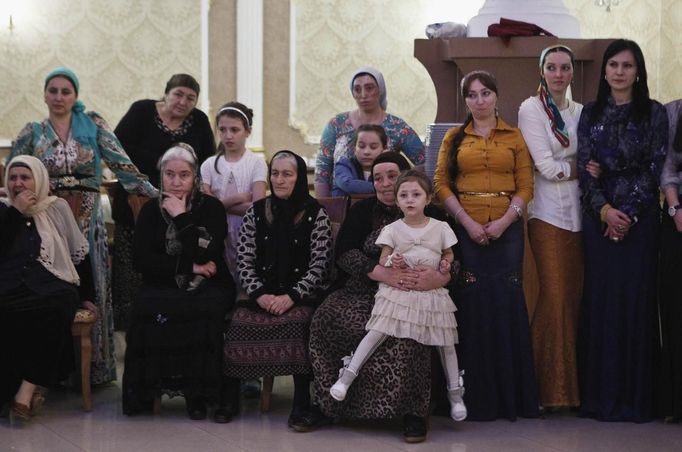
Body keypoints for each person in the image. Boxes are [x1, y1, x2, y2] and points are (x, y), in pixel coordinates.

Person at [10, 67, 157, 385]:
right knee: (48, 288)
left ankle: (93, 371)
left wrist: (159, 195)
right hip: (45, 220)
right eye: (53, 90)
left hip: (88, 219)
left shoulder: (93, 126)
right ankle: (51, 373)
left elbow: (123, 166)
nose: (59, 97)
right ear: (44, 95)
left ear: (75, 95)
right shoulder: (33, 132)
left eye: (66, 91)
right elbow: (14, 174)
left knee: (92, 289)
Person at [300, 152, 451, 443]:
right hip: (363, 289)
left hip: (411, 293)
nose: (384, 184)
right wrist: (381, 272)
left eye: (391, 176)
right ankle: (328, 405)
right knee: (327, 319)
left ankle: (413, 413)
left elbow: (452, 259)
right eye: (377, 178)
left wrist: (441, 276)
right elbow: (345, 253)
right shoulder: (362, 210)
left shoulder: (433, 214)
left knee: (410, 332)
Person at [433, 70, 538, 421]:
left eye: (485, 93)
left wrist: (505, 221)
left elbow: (526, 186)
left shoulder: (515, 137)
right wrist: (467, 223)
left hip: (507, 232)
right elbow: (440, 184)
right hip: (467, 229)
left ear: (496, 96)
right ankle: (473, 398)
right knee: (473, 306)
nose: (479, 101)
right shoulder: (454, 137)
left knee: (507, 304)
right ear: (466, 101)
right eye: (472, 95)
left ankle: (512, 399)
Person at [577, 39, 668, 423]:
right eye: (613, 65)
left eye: (627, 65)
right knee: (603, 306)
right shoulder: (590, 112)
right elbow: (585, 167)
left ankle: (636, 401)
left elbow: (655, 169)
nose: (619, 72)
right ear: (604, 71)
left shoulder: (654, 112)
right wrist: (606, 211)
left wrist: (626, 214)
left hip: (641, 220)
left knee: (636, 305)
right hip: (599, 221)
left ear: (638, 71)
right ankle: (600, 401)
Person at [329, 169, 466, 422]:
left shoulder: (441, 226)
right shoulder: (392, 229)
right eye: (404, 195)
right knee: (377, 332)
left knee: (445, 342)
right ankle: (347, 377)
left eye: (416, 194)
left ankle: (455, 394)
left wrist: (445, 266)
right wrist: (394, 260)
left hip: (431, 292)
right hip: (399, 291)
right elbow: (383, 259)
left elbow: (449, 254)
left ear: (428, 198)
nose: (410, 199)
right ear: (398, 199)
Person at [121, 144, 235, 422]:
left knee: (202, 310)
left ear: (194, 177)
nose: (176, 181)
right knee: (145, 309)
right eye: (169, 174)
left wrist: (181, 217)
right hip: (162, 283)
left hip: (210, 285)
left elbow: (206, 252)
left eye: (183, 175)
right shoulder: (150, 210)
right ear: (161, 177)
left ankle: (198, 394)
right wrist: (189, 266)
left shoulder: (212, 207)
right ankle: (148, 392)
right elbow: (141, 261)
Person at [223, 150, 332, 426]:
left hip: (300, 294)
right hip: (261, 293)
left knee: (300, 324)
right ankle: (230, 396)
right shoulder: (256, 212)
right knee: (238, 323)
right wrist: (260, 295)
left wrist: (291, 296)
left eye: (288, 174)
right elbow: (243, 260)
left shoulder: (315, 214)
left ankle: (301, 401)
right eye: (275, 173)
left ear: (299, 178)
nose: (280, 180)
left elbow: (319, 265)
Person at [112, 73, 215, 330]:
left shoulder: (199, 120)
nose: (183, 102)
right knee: (134, 263)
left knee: (174, 256)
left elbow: (206, 161)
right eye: (178, 94)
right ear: (166, 93)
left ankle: (174, 322)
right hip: (137, 201)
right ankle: (131, 326)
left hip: (183, 204)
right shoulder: (142, 111)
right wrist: (160, 164)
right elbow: (118, 149)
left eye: (190, 98)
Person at [518, 45, 588, 410]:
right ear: (542, 71)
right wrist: (577, 169)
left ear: (572, 73)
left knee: (574, 300)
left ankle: (572, 392)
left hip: (581, 217)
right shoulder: (531, 109)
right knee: (554, 297)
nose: (558, 74)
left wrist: (577, 167)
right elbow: (545, 166)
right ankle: (544, 391)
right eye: (552, 67)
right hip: (547, 215)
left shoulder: (581, 112)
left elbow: (593, 156)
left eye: (564, 68)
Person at [0, 156, 96, 421]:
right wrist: (15, 212)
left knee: (55, 308)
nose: (18, 183)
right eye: (13, 177)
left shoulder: (57, 208)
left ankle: (27, 391)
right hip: (8, 285)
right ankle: (14, 390)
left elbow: (79, 255)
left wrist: (88, 296)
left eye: (25, 177)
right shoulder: (3, 209)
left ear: (39, 180)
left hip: (50, 284)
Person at [314, 66, 424, 197]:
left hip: (386, 203)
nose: (363, 95)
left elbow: (424, 162)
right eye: (357, 89)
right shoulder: (336, 125)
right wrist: (324, 209)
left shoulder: (397, 127)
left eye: (369, 88)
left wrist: (402, 182)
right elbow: (322, 171)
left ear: (380, 90)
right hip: (343, 204)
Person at [200, 102, 267, 290]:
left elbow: (257, 208)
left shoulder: (256, 163)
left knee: (246, 273)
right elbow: (206, 209)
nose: (228, 136)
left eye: (235, 130)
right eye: (222, 129)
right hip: (216, 233)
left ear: (248, 131)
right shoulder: (208, 165)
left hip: (248, 232)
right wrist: (237, 199)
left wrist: (218, 205)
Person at [659, 99, 682, 422]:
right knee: (676, 306)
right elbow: (666, 165)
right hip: (678, 214)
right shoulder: (672, 111)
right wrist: (676, 209)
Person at [331, 124, 387, 197]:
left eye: (373, 147)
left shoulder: (388, 167)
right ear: (354, 149)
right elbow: (347, 184)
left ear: (384, 149)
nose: (366, 152)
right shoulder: (344, 164)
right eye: (361, 146)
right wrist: (384, 187)